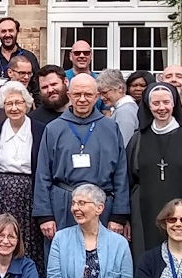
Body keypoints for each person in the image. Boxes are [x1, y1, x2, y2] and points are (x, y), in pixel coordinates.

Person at [33, 74, 127, 237]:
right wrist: (44, 215)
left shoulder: (111, 128)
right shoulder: (54, 129)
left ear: (97, 96)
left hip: (101, 206)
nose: (82, 99)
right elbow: (43, 174)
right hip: (64, 206)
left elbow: (121, 173)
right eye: (77, 94)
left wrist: (119, 215)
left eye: (88, 94)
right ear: (69, 95)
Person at [127, 82, 182, 257]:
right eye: (156, 103)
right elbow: (128, 180)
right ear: (147, 105)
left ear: (174, 103)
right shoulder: (138, 139)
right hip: (143, 216)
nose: (162, 108)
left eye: (166, 102)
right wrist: (125, 217)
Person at [0, 82, 45, 268]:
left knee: (29, 240)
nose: (14, 108)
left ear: (27, 104)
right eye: (9, 104)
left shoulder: (40, 130)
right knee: (2, 238)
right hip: (2, 194)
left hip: (29, 194)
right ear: (3, 105)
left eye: (19, 103)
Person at [0, 17, 40, 81]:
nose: (7, 34)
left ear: (17, 32)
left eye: (11, 31)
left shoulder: (29, 57)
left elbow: (37, 86)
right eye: (3, 31)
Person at [96, 69, 139, 144]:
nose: (102, 97)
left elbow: (123, 145)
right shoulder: (124, 108)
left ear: (120, 88)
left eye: (105, 93)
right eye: (100, 94)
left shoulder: (125, 112)